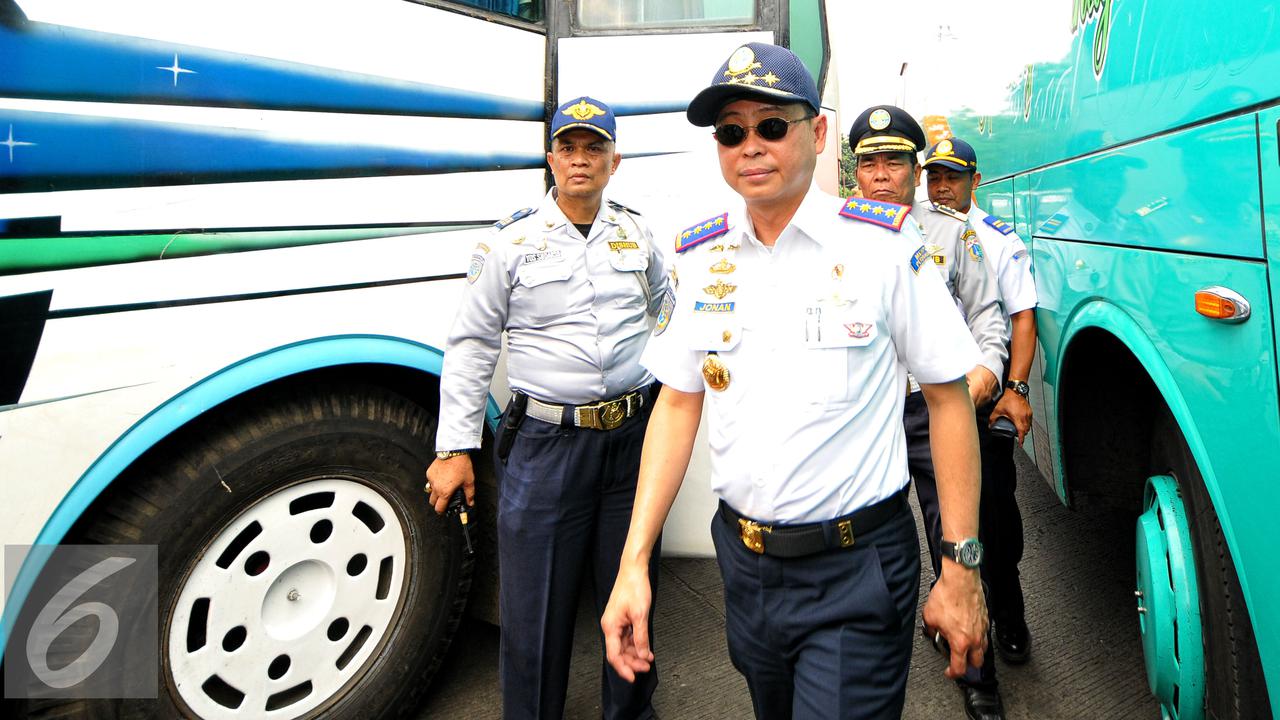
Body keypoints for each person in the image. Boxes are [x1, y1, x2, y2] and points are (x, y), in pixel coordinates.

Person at [600, 42, 988, 719]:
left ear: (816, 132)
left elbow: (948, 399)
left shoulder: (883, 247)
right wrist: (634, 562)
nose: (750, 144)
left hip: (855, 570)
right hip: (745, 569)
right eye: (731, 131)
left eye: (771, 125)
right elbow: (677, 404)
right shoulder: (700, 257)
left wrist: (961, 568)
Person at [425, 96, 667, 720]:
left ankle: (631, 714)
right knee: (535, 610)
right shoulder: (511, 242)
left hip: (632, 441)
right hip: (547, 446)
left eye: (594, 148)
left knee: (633, 591)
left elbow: (669, 309)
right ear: (551, 158)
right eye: (569, 147)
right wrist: (454, 448)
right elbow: (473, 342)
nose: (580, 160)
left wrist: (672, 390)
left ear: (616, 160)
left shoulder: (639, 232)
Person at [849, 106, 1010, 720]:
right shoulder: (836, 238)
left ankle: (977, 669)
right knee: (864, 544)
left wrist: (985, 376)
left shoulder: (949, 233)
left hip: (935, 411)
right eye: (869, 163)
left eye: (894, 161)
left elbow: (988, 317)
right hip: (867, 417)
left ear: (917, 171)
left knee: (961, 538)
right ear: (855, 171)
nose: (881, 175)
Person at [924, 137, 1038, 666]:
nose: (941, 185)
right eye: (934, 176)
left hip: (979, 402)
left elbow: (1020, 318)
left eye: (953, 176)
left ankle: (1009, 615)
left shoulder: (996, 240)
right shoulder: (920, 231)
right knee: (941, 520)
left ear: (976, 180)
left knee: (994, 517)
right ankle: (954, 607)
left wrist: (1013, 390)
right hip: (930, 404)